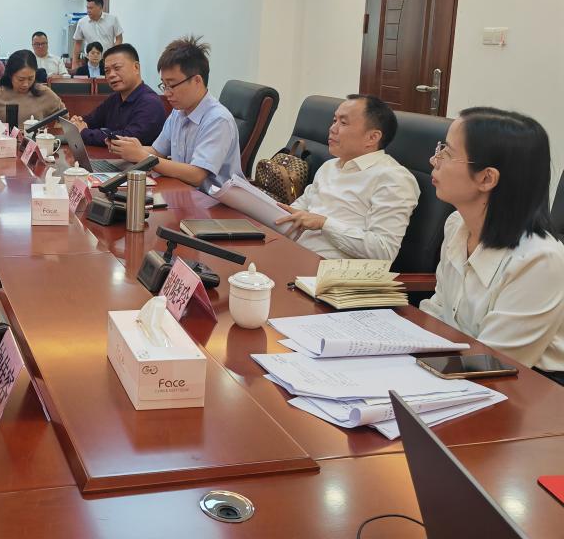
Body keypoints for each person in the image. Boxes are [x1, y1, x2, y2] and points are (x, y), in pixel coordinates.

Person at [420, 108, 564, 380]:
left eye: (446, 153)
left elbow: (493, 364)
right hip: (458, 368)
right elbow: (439, 310)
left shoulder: (539, 260)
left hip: (526, 387)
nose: (433, 160)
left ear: (487, 178)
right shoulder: (457, 224)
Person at [276, 95, 420, 261]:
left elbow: (383, 251)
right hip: (293, 252)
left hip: (330, 269)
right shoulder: (329, 167)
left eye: (343, 123)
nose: (332, 128)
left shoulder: (394, 179)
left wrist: (324, 224)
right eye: (334, 120)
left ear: (372, 137)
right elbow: (299, 209)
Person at [109, 36, 241, 193]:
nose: (166, 93)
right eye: (164, 85)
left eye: (171, 85)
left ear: (197, 81)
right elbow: (157, 151)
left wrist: (141, 156)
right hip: (183, 193)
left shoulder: (218, 119)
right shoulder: (178, 112)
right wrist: (129, 148)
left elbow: (196, 175)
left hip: (213, 202)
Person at [69, 43, 166, 147]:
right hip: (110, 156)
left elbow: (126, 139)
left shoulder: (150, 103)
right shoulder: (115, 98)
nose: (111, 75)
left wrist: (83, 132)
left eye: (117, 68)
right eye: (107, 71)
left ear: (136, 67)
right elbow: (92, 119)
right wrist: (78, 122)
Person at [0, 50, 65, 124]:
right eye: (21, 79)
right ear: (10, 75)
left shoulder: (43, 92)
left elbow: (64, 115)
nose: (26, 84)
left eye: (30, 78)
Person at [72, 0, 122, 69]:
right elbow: (78, 43)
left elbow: (119, 39)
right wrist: (75, 62)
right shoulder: (82, 22)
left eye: (91, 8)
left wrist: (112, 53)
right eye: (87, 8)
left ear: (100, 8)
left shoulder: (112, 19)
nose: (88, 11)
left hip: (108, 58)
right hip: (90, 60)